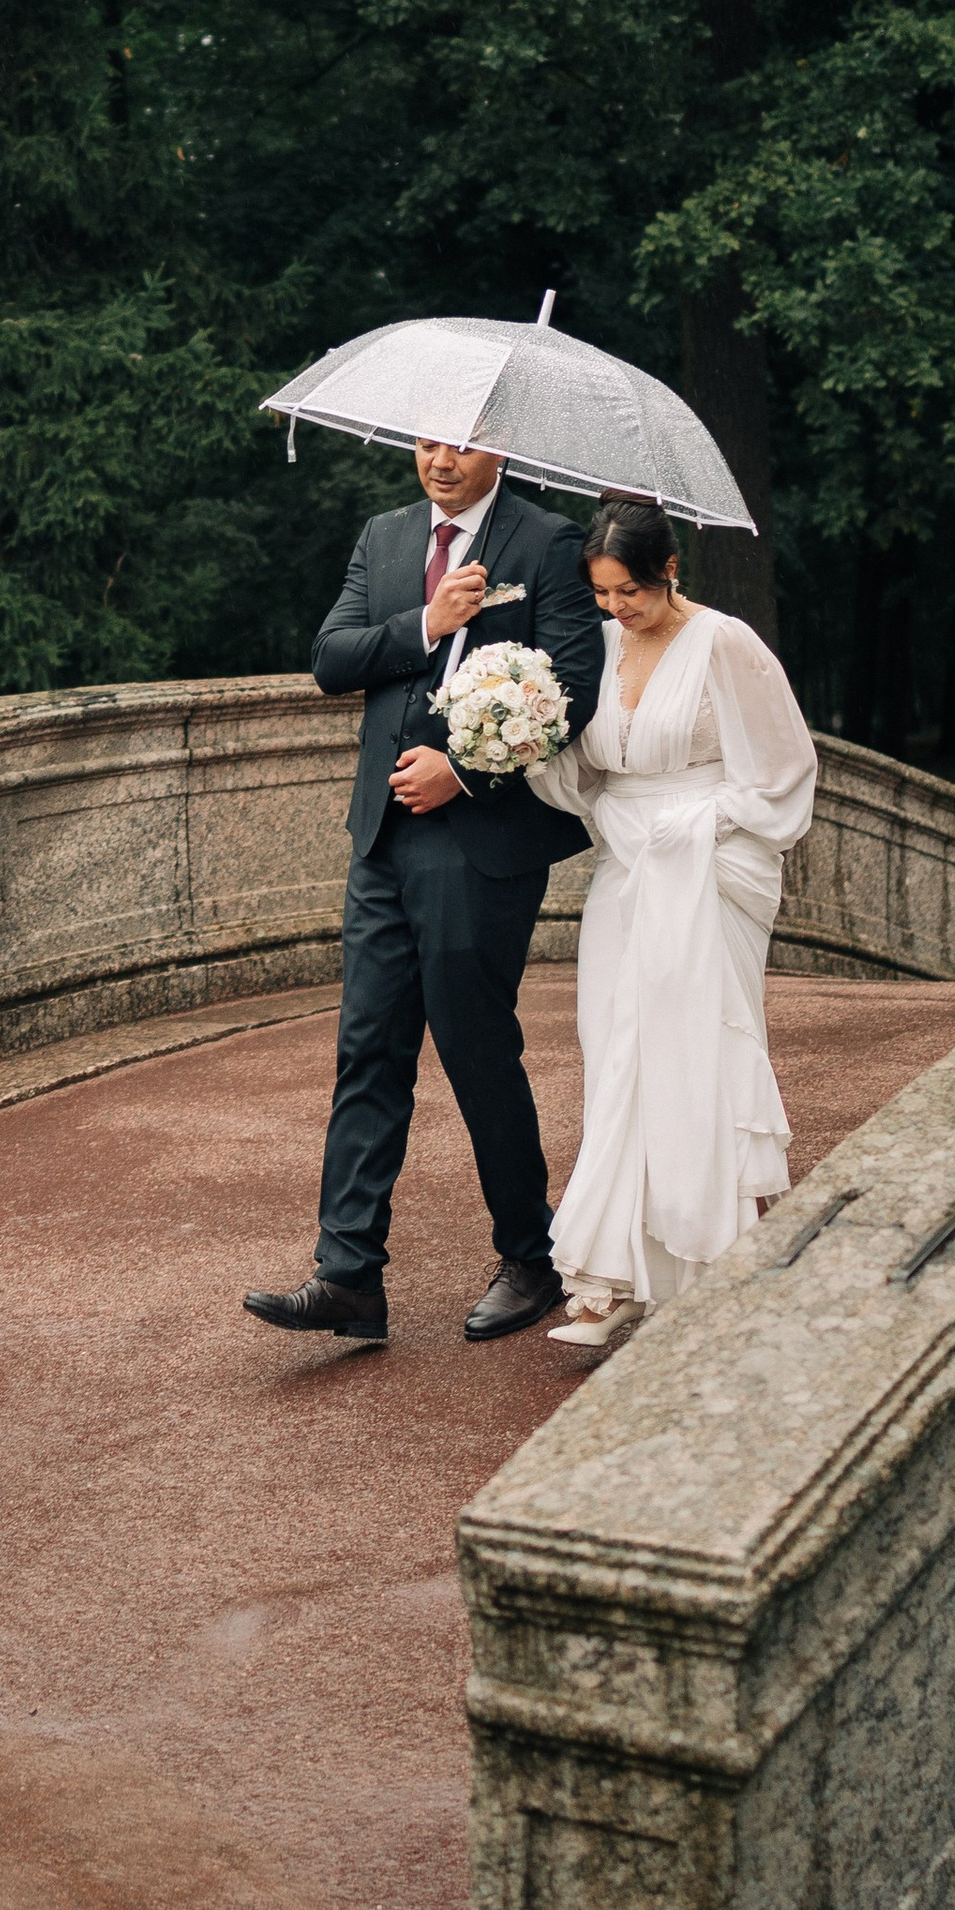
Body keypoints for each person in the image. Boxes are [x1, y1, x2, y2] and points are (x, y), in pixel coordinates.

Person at [243, 435, 608, 1346]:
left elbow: (574, 690)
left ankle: (533, 1256)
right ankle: (349, 1276)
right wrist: (427, 625)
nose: (440, 460)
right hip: (382, 836)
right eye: (427, 440)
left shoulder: (549, 543)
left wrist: (466, 772)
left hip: (479, 840)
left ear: (502, 450)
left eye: (462, 444)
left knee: (474, 1044)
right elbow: (333, 659)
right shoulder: (388, 536)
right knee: (367, 1047)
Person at [528, 497, 818, 1345]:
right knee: (617, 1057)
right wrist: (525, 741)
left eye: (630, 592)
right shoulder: (602, 646)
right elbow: (585, 769)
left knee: (701, 1057)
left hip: (709, 866)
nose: (616, 608)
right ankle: (613, 1273)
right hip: (625, 869)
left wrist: (692, 824)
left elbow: (781, 770)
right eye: (602, 593)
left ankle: (717, 1263)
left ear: (670, 572)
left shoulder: (725, 643)